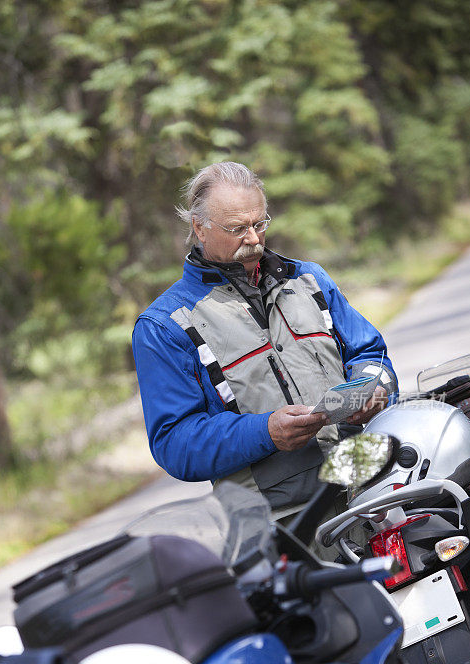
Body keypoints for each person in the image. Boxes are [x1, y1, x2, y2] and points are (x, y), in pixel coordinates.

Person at [132, 162, 397, 511]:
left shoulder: (309, 280)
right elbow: (175, 444)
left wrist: (374, 390)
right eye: (237, 228)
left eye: (259, 223)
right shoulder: (163, 326)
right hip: (280, 527)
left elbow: (371, 355)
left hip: (371, 490)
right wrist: (265, 433)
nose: (254, 239)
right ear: (200, 228)